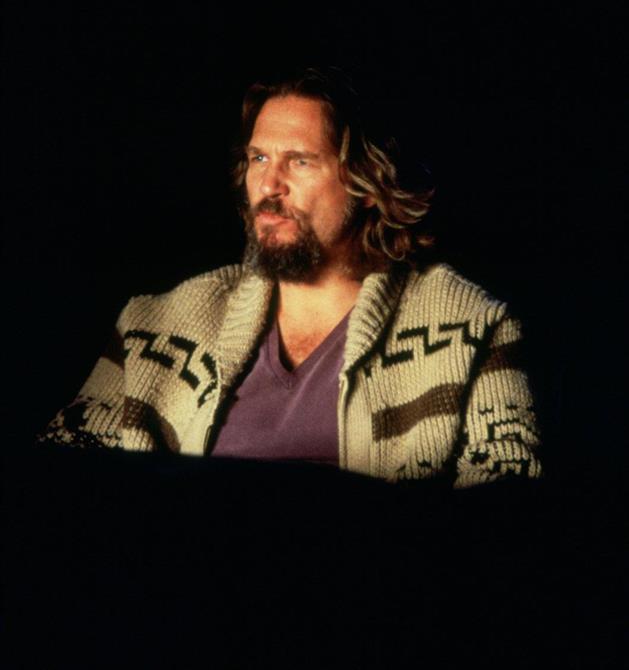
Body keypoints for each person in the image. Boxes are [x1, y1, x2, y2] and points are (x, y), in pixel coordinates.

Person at [39, 67, 541, 487]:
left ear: (369, 181)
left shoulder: (469, 328)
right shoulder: (154, 328)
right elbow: (52, 484)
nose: (268, 184)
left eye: (299, 161)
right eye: (258, 158)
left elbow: (509, 511)